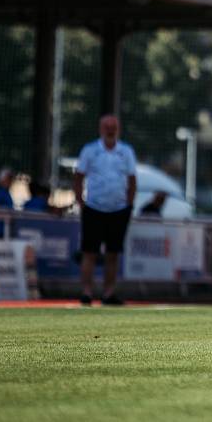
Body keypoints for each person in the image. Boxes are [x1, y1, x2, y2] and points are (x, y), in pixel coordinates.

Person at [73, 115, 137, 306]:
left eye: (113, 127)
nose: (110, 130)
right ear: (100, 129)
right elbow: (78, 177)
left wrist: (129, 204)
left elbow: (132, 180)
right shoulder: (90, 150)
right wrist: (80, 202)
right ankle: (86, 292)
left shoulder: (126, 151)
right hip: (93, 208)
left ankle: (108, 293)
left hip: (118, 210)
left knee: (113, 253)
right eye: (107, 127)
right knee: (89, 252)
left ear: (118, 129)